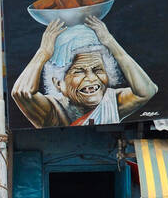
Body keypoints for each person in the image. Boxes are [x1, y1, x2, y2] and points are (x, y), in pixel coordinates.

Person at [10, 16, 157, 128]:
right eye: (79, 71)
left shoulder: (112, 101)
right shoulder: (53, 110)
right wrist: (43, 53)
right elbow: (22, 93)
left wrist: (109, 41)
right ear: (58, 83)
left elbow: (147, 91)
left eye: (98, 69)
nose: (92, 78)